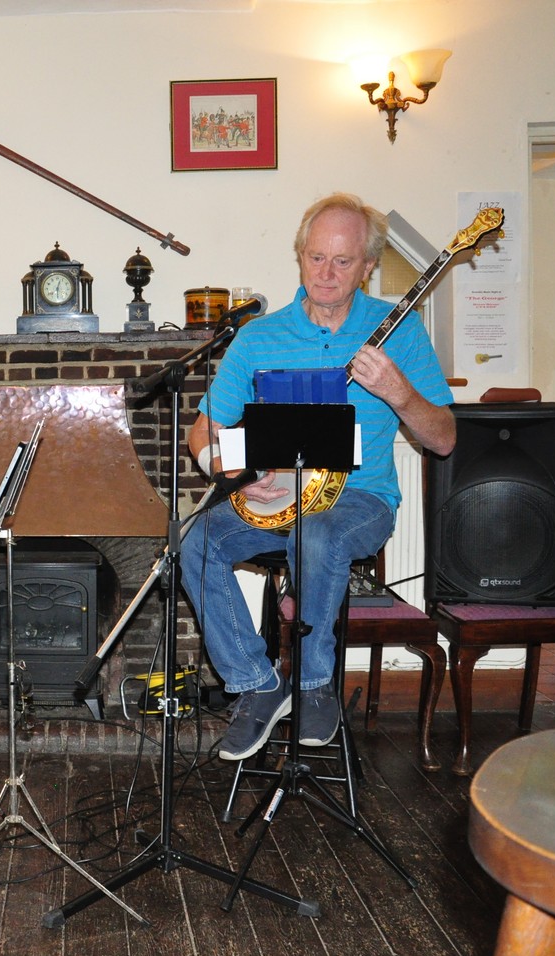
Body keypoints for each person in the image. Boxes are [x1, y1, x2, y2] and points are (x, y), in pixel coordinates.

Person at [180, 193, 457, 762]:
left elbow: (445, 439)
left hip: (360, 501)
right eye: (315, 257)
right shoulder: (258, 336)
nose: (325, 273)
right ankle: (258, 683)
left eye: (342, 261)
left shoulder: (399, 331)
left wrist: (398, 391)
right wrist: (233, 472)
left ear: (368, 266)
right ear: (300, 255)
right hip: (278, 495)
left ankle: (311, 683)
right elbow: (203, 431)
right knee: (194, 541)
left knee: (319, 533)